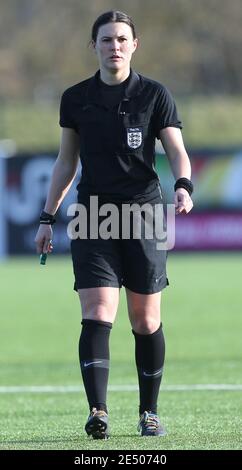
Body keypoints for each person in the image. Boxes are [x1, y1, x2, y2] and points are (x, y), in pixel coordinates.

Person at [35, 10, 193, 440]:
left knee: (144, 321)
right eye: (107, 39)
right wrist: (48, 216)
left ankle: (149, 413)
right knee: (97, 312)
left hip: (144, 213)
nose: (115, 46)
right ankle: (98, 411)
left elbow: (176, 148)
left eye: (122, 39)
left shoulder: (155, 94)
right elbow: (66, 161)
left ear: (134, 45)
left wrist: (182, 184)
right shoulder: (76, 97)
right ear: (95, 46)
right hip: (93, 215)